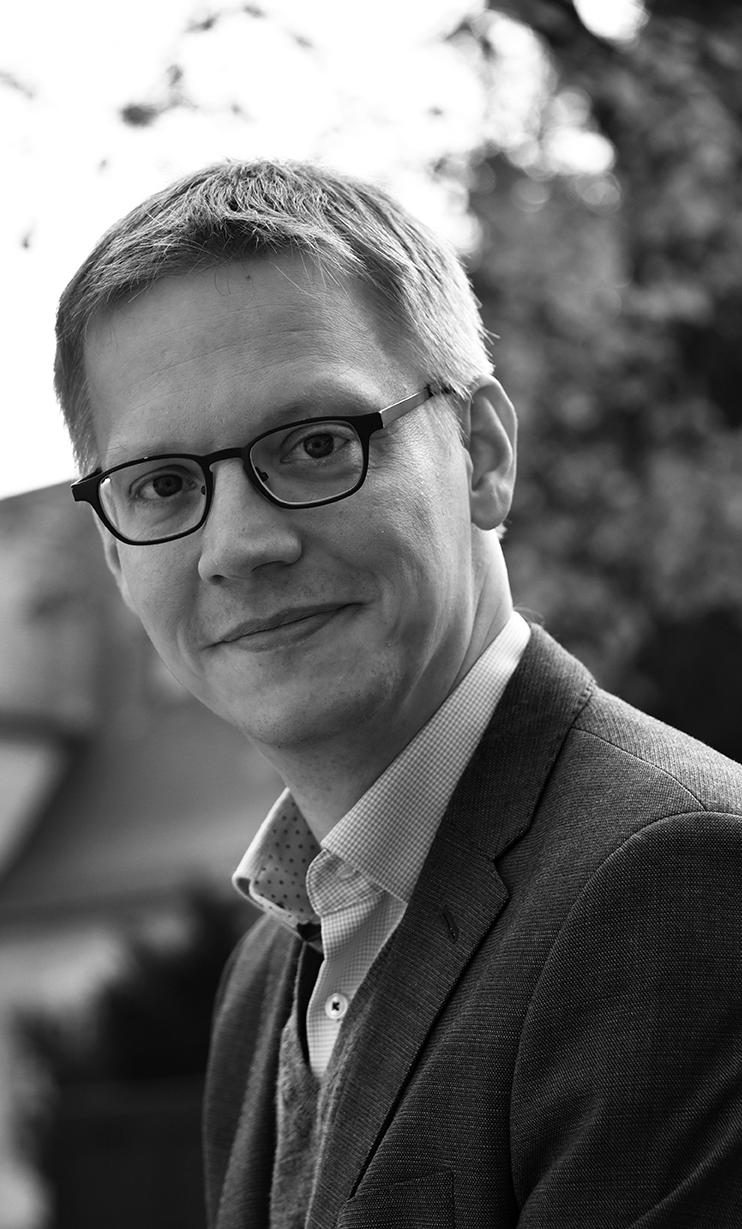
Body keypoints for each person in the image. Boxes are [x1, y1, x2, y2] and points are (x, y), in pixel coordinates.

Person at [54, 160, 742, 1228]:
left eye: (315, 444)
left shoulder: (676, 885)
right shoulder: (263, 975)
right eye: (163, 485)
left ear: (482, 454)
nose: (237, 546)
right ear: (114, 555)